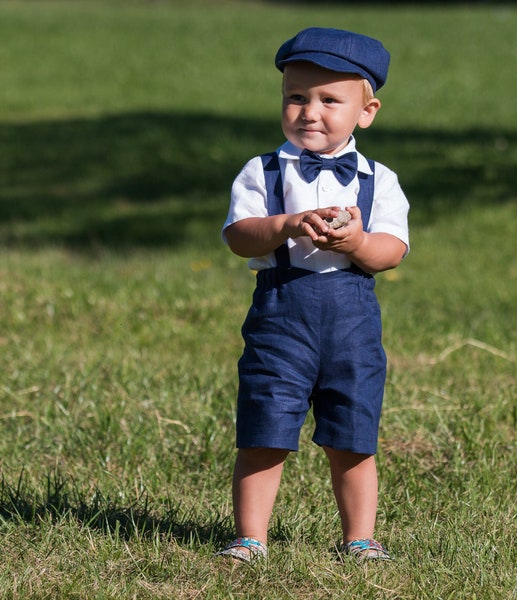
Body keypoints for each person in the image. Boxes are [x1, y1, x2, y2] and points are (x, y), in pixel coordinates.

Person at [217, 27, 410, 562]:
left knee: (353, 431)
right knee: (265, 425)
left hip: (351, 321)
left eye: (329, 100)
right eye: (296, 97)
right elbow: (238, 235)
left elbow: (392, 250)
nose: (309, 112)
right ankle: (250, 537)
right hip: (282, 313)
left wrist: (358, 240)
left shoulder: (379, 180)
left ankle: (360, 539)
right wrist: (286, 224)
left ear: (366, 111)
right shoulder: (264, 171)